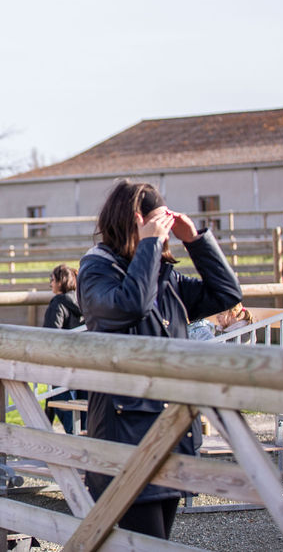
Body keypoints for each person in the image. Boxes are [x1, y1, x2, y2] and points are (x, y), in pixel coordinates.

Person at [77, 180, 242, 539]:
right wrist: (150, 244)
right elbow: (130, 306)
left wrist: (195, 241)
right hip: (125, 434)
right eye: (156, 225)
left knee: (160, 540)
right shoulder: (96, 270)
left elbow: (226, 294)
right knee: (145, 541)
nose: (163, 234)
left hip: (171, 431)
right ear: (132, 222)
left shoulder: (164, 275)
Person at [41, 264, 84, 435]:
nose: (50, 284)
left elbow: (51, 334)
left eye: (52, 280)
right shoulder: (83, 301)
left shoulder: (58, 303)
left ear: (61, 282)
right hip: (82, 364)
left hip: (61, 366)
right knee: (81, 413)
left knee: (64, 407)